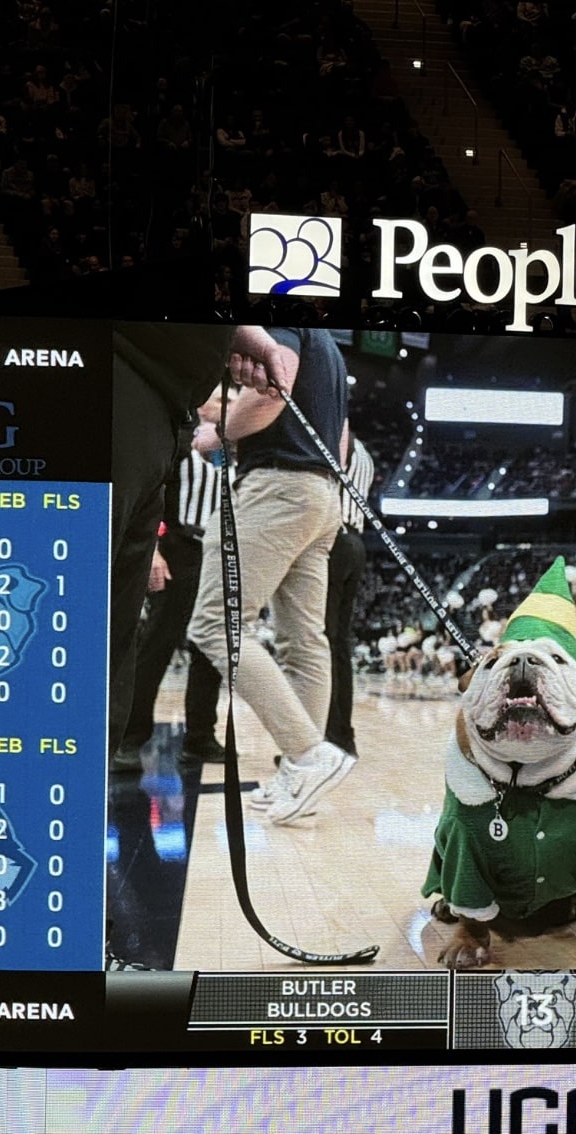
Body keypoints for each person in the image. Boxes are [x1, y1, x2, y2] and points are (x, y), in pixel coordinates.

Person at [187, 328, 356, 827]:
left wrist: (214, 435)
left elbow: (269, 394)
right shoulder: (330, 349)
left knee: (215, 624)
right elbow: (341, 437)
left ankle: (308, 754)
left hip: (276, 488)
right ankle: (298, 773)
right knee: (304, 640)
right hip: (321, 495)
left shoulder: (281, 321)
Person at [111, 396, 228, 772]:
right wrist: (155, 549)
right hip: (177, 545)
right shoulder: (181, 439)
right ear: (202, 405)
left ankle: (200, 737)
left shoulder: (233, 451)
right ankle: (128, 736)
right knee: (158, 642)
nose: (228, 403)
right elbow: (152, 494)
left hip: (215, 551)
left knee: (210, 646)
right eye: (220, 399)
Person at [324, 437, 374, 761]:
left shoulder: (337, 439)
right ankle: (342, 736)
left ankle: (327, 739)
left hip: (332, 538)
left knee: (321, 644)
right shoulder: (366, 454)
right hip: (355, 543)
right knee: (338, 646)